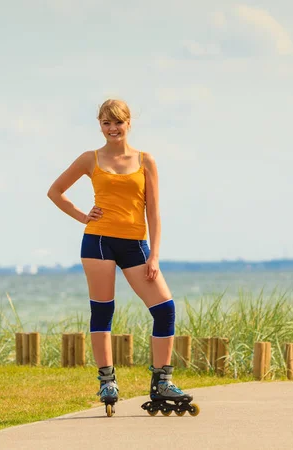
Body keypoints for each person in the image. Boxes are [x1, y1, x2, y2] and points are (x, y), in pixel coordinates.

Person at [47, 98, 192, 412]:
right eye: (106, 123)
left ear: (129, 124)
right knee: (103, 311)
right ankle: (107, 381)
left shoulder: (146, 161)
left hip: (135, 245)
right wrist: (83, 216)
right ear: (100, 125)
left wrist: (153, 256)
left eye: (118, 123)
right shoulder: (90, 158)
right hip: (98, 241)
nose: (112, 129)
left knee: (165, 309)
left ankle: (162, 382)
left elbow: (153, 211)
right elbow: (55, 191)